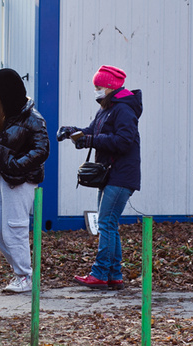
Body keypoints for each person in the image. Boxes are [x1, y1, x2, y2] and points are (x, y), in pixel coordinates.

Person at [58, 65, 142, 290]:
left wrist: (90, 140)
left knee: (105, 223)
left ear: (111, 87)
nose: (96, 90)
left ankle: (100, 273)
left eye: (99, 86)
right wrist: (72, 132)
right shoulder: (107, 108)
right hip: (111, 174)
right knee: (109, 224)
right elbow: (92, 131)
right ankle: (114, 275)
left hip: (121, 175)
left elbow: (123, 141)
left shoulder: (124, 110)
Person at [0, 68, 50, 294]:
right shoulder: (4, 115)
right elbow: (1, 148)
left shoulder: (33, 118)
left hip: (20, 181)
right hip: (1, 179)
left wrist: (14, 165)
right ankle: (20, 272)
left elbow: (42, 150)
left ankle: (24, 275)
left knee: (15, 229)